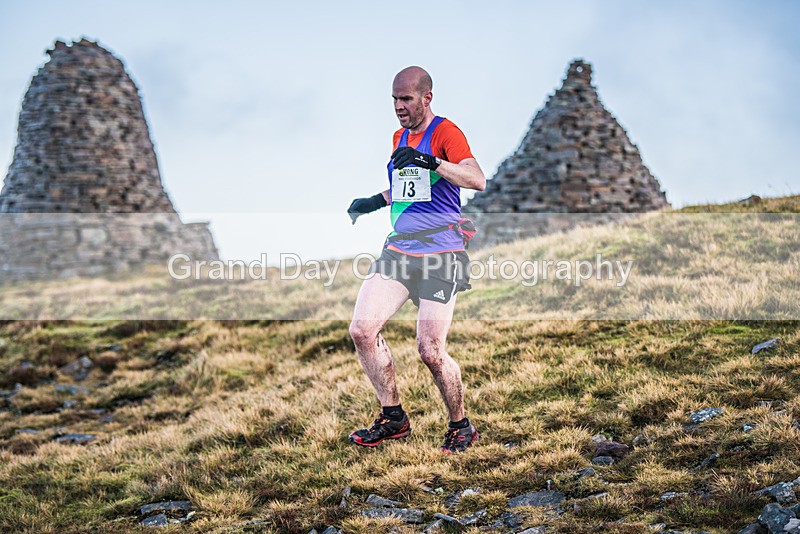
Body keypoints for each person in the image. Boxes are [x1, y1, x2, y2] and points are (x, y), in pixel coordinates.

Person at [346, 66, 486, 454]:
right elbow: (411, 187)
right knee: (362, 330)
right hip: (400, 249)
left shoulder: (446, 133)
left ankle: (461, 426)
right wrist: (376, 201)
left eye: (405, 99)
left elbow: (477, 179)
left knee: (431, 351)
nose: (398, 107)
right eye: (394, 99)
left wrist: (433, 162)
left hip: (442, 254)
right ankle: (393, 419)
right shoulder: (399, 136)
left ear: (426, 97)